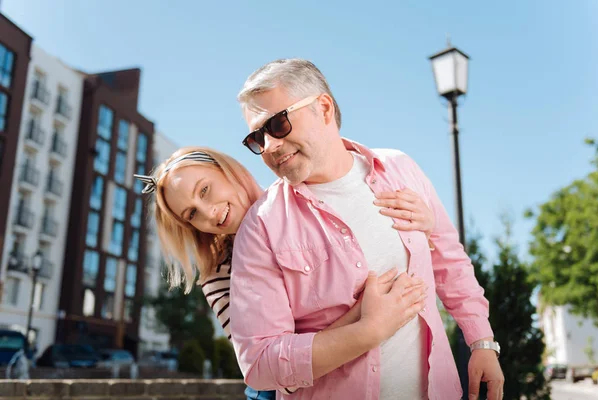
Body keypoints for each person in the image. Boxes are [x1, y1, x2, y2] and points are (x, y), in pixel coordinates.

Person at [229, 58, 505, 400]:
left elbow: (449, 259)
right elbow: (259, 364)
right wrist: (368, 331)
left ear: (324, 108)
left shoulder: (400, 169)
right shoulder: (261, 227)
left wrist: (482, 341)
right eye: (257, 137)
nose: (268, 146)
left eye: (277, 124)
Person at [134, 147, 434, 400]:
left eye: (205, 190)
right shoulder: (219, 277)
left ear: (228, 171)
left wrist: (426, 222)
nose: (208, 212)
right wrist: (366, 319)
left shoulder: (301, 202)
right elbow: (279, 371)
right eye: (192, 214)